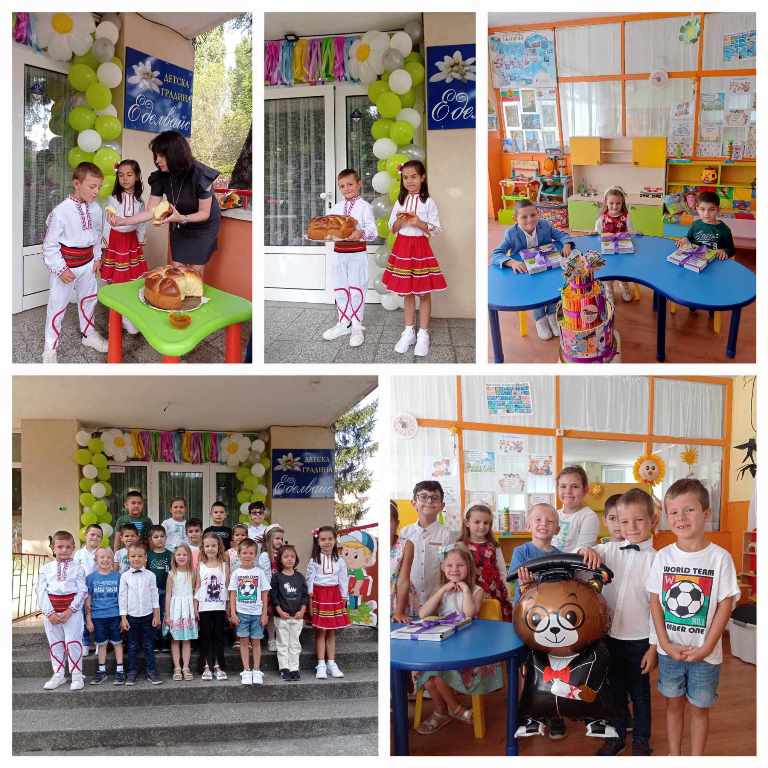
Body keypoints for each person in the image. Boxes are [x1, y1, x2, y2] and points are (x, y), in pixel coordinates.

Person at [646, 478, 739, 756]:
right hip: (670, 652)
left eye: (689, 510)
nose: (681, 517)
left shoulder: (720, 558)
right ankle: (674, 756)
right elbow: (655, 602)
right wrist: (664, 643)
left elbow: (725, 604)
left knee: (700, 708)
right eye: (674, 512)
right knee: (673, 705)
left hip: (705, 656)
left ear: (706, 513)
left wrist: (708, 647)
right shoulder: (663, 557)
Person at [578, 488, 658, 756]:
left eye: (639, 520)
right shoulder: (608, 550)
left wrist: (654, 647)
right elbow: (581, 554)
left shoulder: (657, 559)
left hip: (640, 641)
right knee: (614, 692)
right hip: (609, 638)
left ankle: (641, 741)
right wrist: (585, 549)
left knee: (640, 694)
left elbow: (659, 609)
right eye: (624, 521)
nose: (631, 527)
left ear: (652, 520)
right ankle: (617, 737)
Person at [107, 130, 221, 277]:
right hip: (178, 222)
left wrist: (182, 218)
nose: (157, 160)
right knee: (177, 267)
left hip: (203, 225)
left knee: (195, 271)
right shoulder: (160, 176)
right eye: (156, 155)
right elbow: (151, 211)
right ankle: (177, 291)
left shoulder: (200, 174)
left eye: (161, 156)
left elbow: (204, 213)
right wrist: (124, 221)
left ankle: (194, 291)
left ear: (176, 154)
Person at [415, 543, 501, 735]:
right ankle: (451, 710)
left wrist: (465, 591)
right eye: (449, 565)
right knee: (429, 675)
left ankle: (444, 711)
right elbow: (422, 614)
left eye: (460, 565)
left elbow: (469, 614)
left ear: (469, 567)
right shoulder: (442, 589)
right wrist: (441, 591)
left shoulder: (476, 590)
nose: (454, 569)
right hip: (444, 644)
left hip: (467, 647)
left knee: (434, 674)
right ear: (442, 568)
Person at [41, 162, 109, 363]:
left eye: (99, 187)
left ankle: (89, 334)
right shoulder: (61, 211)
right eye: (92, 186)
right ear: (77, 184)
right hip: (65, 267)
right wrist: (60, 269)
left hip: (88, 265)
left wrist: (97, 257)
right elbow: (50, 245)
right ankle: (50, 348)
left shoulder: (96, 209)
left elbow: (96, 235)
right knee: (57, 307)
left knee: (89, 300)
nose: (96, 191)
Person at [509, 503, 566, 740]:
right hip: (526, 620)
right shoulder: (521, 552)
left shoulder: (561, 555)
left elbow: (563, 586)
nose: (544, 524)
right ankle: (527, 711)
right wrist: (527, 585)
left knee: (554, 667)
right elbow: (516, 580)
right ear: (529, 525)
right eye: (538, 520)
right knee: (526, 667)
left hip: (552, 622)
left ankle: (554, 712)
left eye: (550, 521)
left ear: (557, 528)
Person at [382, 160, 447, 357]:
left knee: (424, 292)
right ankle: (408, 331)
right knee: (407, 292)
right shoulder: (400, 202)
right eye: (405, 177)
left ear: (422, 178)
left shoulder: (429, 202)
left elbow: (436, 229)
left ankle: (423, 334)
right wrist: (399, 221)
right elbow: (392, 228)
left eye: (414, 177)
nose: (409, 181)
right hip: (402, 247)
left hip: (420, 248)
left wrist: (418, 222)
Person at [490, 198, 573, 340]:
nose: (530, 220)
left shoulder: (545, 225)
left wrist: (567, 244)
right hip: (527, 274)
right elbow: (496, 254)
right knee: (536, 291)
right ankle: (540, 319)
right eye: (524, 217)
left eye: (533, 215)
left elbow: (562, 235)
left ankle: (552, 314)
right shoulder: (511, 233)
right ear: (515, 219)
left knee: (555, 285)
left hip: (547, 268)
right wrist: (512, 262)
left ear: (538, 214)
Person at [322, 168, 377, 347]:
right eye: (342, 186)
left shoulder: (365, 207)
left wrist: (360, 233)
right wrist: (325, 233)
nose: (346, 189)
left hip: (357, 254)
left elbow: (373, 231)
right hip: (339, 254)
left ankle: (356, 326)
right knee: (340, 289)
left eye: (350, 184)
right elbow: (328, 228)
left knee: (356, 289)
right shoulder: (336, 208)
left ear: (359, 184)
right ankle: (343, 323)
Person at [100, 159, 147, 335]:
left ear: (137, 176)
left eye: (129, 174)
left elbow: (142, 222)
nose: (125, 179)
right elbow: (107, 221)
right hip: (116, 242)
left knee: (131, 281)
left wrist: (140, 240)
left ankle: (128, 316)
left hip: (131, 242)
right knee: (117, 282)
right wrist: (105, 244)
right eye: (121, 175)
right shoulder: (112, 199)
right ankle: (116, 318)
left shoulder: (140, 201)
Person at [38, 531, 88, 690]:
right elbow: (41, 592)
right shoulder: (46, 569)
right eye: (60, 547)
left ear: (73, 548)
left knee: (73, 642)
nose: (64, 550)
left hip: (71, 613)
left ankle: (77, 675)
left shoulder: (78, 568)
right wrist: (49, 613)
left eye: (68, 547)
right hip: (52, 613)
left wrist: (70, 610)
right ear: (53, 548)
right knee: (55, 643)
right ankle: (59, 674)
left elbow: (83, 591)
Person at [307, 526, 350, 679]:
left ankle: (331, 663)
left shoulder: (340, 561)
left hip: (334, 597)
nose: (327, 542)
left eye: (330, 539)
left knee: (331, 631)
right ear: (318, 541)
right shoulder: (314, 560)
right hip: (319, 597)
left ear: (335, 540)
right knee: (321, 631)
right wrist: (310, 599)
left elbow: (343, 580)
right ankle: (321, 664)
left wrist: (344, 597)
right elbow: (309, 580)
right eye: (323, 539)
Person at [458, 503, 513, 622]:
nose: (482, 526)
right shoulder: (462, 546)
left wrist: (507, 587)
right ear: (467, 523)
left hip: (495, 591)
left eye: (486, 523)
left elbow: (502, 570)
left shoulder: (494, 545)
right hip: (473, 592)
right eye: (477, 522)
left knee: (496, 619)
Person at [118, 542, 162, 685]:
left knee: (149, 645)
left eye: (140, 556)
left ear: (145, 558)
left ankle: (151, 671)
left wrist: (156, 615)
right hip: (131, 617)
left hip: (148, 616)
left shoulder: (151, 575)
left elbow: (154, 596)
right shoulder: (124, 577)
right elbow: (122, 597)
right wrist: (123, 618)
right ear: (128, 558)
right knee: (132, 645)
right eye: (133, 556)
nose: (136, 558)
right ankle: (132, 671)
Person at [228, 537, 270, 685]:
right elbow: (232, 594)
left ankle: (256, 670)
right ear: (239, 554)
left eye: (251, 553)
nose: (247, 556)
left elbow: (264, 594)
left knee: (256, 642)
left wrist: (264, 614)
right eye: (244, 553)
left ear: (255, 555)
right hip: (242, 614)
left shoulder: (259, 573)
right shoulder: (236, 573)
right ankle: (246, 670)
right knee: (244, 642)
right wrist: (233, 613)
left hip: (257, 614)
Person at [85, 547, 125, 685]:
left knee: (117, 643)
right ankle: (101, 671)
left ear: (112, 560)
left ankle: (120, 670)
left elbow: (122, 598)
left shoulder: (118, 577)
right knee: (101, 644)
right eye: (102, 557)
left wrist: (123, 618)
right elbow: (88, 600)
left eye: (108, 557)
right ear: (96, 560)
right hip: (98, 617)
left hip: (115, 616)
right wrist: (88, 619)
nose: (105, 560)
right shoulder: (90, 578)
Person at [271, 544, 309, 681]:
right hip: (282, 617)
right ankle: (284, 668)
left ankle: (294, 668)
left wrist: (302, 610)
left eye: (292, 556)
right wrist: (279, 611)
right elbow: (274, 596)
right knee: (282, 643)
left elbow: (304, 595)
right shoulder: (277, 577)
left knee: (295, 643)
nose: (289, 559)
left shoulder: (300, 577)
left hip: (297, 616)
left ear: (296, 558)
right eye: (286, 556)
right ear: (280, 559)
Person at [195, 532, 230, 681]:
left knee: (218, 637)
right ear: (203, 548)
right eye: (207, 546)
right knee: (206, 637)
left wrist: (228, 607)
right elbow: (197, 587)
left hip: (219, 607)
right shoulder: (200, 565)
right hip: (204, 608)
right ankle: (206, 666)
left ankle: (218, 666)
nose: (210, 548)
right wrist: (195, 607)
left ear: (219, 547)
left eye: (213, 545)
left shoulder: (224, 565)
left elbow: (227, 587)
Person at [164, 543, 198, 680]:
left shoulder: (193, 573)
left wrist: (195, 610)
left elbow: (195, 592)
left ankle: (186, 667)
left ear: (189, 556)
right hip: (176, 609)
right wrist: (167, 614)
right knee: (175, 639)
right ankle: (177, 667)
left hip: (188, 609)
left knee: (186, 639)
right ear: (174, 557)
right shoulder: (172, 574)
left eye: (185, 554)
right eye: (178, 554)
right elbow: (168, 595)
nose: (182, 557)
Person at [595, 185, 634, 302]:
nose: (615, 206)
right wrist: (599, 234)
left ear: (622, 203)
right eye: (611, 203)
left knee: (622, 270)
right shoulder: (602, 218)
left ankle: (624, 286)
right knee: (608, 270)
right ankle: (609, 290)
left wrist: (634, 233)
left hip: (622, 250)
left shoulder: (626, 217)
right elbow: (597, 233)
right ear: (606, 203)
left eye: (618, 203)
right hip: (607, 251)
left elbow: (630, 232)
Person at [550, 466, 599, 552]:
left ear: (585, 490)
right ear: (557, 489)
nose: (568, 491)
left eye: (575, 486)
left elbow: (582, 551)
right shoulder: (554, 514)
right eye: (563, 486)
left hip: (572, 561)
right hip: (549, 559)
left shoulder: (589, 516)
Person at [677, 191, 735, 261]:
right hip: (695, 259)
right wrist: (685, 239)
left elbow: (731, 250)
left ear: (718, 210)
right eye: (702, 209)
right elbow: (688, 238)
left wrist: (724, 251)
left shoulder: (724, 230)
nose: (706, 213)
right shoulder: (695, 224)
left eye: (712, 209)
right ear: (697, 208)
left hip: (715, 261)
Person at [74, 523, 102, 656]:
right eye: (92, 534)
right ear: (85, 535)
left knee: (97, 616)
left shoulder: (103, 552)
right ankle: (85, 643)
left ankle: (98, 642)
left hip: (98, 590)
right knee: (82, 616)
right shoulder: (79, 554)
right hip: (82, 590)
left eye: (98, 536)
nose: (95, 537)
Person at [259, 524, 285, 652]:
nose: (280, 541)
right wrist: (272, 589)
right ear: (269, 540)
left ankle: (279, 638)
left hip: (282, 589)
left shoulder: (283, 554)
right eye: (277, 538)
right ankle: (269, 639)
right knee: (269, 615)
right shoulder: (265, 556)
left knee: (279, 615)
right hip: (270, 590)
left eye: (281, 538)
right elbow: (265, 574)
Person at [147, 525, 172, 653]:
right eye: (156, 537)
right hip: (152, 592)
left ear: (166, 538)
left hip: (166, 592)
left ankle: (165, 640)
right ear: (151, 539)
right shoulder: (148, 555)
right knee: (154, 616)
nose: (159, 539)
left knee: (165, 615)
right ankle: (155, 641)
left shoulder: (170, 554)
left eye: (162, 536)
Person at [390, 499, 415, 623]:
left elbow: (403, 580)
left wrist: (399, 612)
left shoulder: (406, 545)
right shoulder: (374, 547)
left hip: (399, 602)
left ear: (397, 523)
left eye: (389, 521)